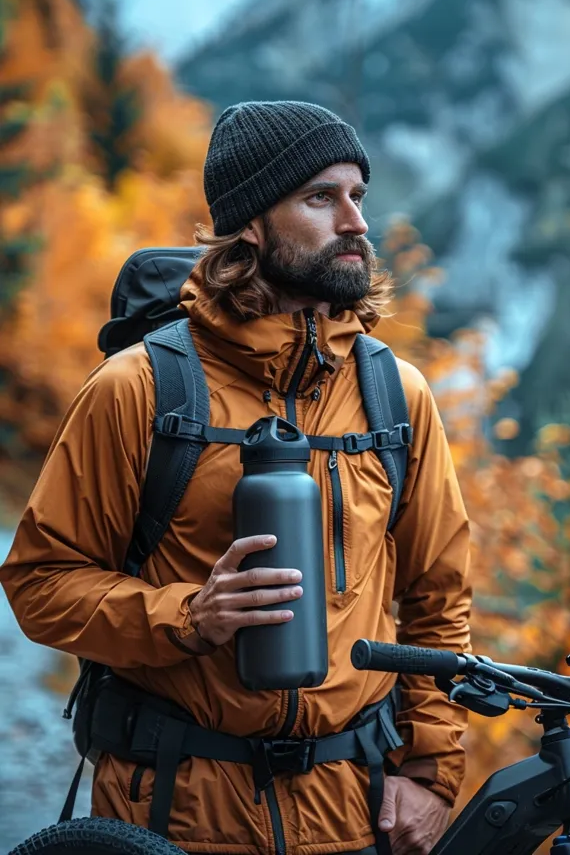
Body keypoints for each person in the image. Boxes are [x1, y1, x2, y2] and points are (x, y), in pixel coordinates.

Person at [0, 101, 472, 855]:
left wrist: (430, 769)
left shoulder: (397, 396)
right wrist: (189, 615)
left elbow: (437, 600)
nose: (356, 222)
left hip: (353, 815)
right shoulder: (141, 389)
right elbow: (40, 583)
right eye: (321, 198)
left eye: (360, 197)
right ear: (251, 222)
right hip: (175, 815)